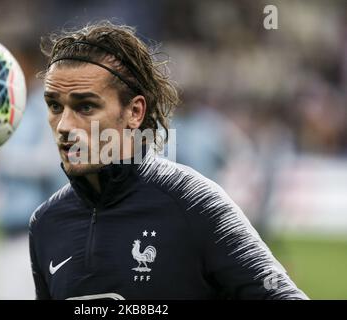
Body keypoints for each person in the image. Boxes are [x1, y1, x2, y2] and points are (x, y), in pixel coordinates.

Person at [29, 21, 308, 300]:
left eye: (86, 106)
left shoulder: (196, 204)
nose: (64, 125)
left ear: (135, 112)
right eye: (55, 106)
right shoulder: (46, 223)